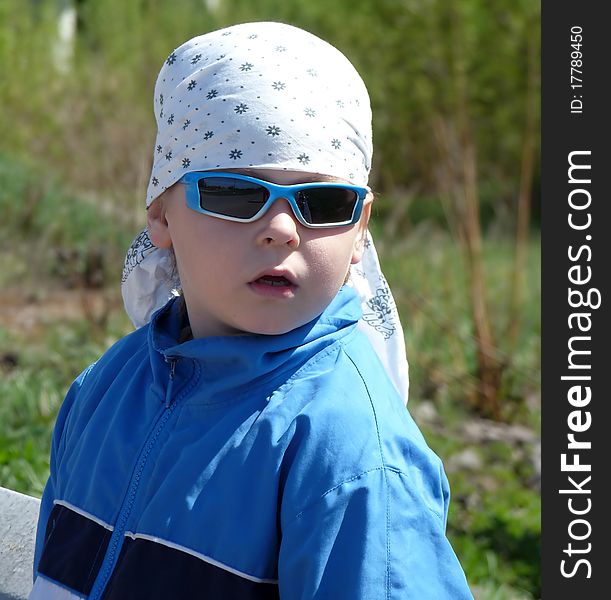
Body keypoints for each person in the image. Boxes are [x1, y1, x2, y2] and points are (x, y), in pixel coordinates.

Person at [31, 21, 473, 599]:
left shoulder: (352, 454)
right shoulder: (107, 389)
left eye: (324, 200)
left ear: (360, 229)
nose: (283, 230)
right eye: (237, 192)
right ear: (162, 213)